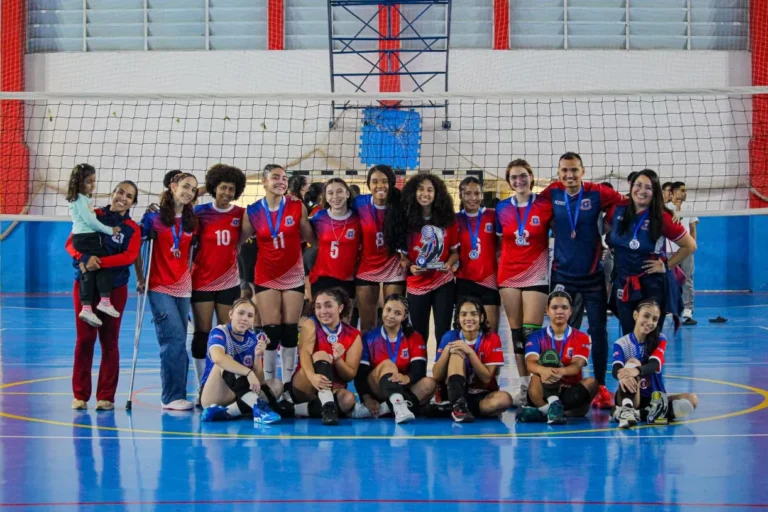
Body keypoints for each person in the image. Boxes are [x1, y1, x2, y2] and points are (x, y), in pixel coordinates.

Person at [538, 151, 625, 409]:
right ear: (558, 173)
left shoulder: (597, 192)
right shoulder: (552, 192)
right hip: (563, 275)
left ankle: (600, 387)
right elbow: (529, 207)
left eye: (574, 170)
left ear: (583, 171)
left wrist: (611, 224)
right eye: (564, 170)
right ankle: (561, 383)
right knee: (562, 332)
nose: (569, 175)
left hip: (593, 276)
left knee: (598, 332)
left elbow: (625, 203)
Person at [65, 181, 141, 411]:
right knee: (85, 339)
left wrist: (99, 262)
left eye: (129, 196)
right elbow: (71, 243)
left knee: (109, 341)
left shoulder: (132, 228)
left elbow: (129, 256)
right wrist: (83, 258)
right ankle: (80, 395)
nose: (123, 198)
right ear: (113, 193)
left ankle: (106, 397)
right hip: (86, 286)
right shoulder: (92, 214)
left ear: (133, 203)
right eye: (120, 192)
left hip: (115, 289)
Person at [241, 164, 315, 390]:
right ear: (264, 181)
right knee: (271, 329)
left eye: (284, 178)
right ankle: (272, 383)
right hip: (265, 275)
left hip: (293, 273)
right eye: (275, 177)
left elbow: (311, 237)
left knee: (291, 329)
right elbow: (238, 244)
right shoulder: (252, 211)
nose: (281, 181)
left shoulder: (296, 206)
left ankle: (289, 384)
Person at [605, 170, 696, 334]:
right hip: (623, 280)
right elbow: (602, 230)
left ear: (654, 192)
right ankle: (631, 360)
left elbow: (690, 246)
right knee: (628, 334)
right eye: (638, 185)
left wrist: (666, 265)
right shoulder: (617, 210)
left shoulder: (662, 217)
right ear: (631, 187)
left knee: (649, 333)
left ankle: (651, 360)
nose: (641, 190)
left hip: (651, 284)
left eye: (647, 187)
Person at [136, 172, 200, 411]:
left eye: (193, 189)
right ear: (173, 187)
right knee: (172, 339)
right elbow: (136, 249)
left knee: (181, 340)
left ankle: (179, 394)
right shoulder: (153, 218)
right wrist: (141, 278)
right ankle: (171, 396)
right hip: (159, 286)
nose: (189, 192)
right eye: (185, 186)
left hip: (183, 287)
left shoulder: (192, 220)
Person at [496, 159, 554, 403]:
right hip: (508, 274)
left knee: (532, 334)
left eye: (523, 176)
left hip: (536, 273)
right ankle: (522, 386)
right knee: (517, 334)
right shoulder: (501, 208)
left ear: (531, 176)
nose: (519, 181)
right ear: (509, 182)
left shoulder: (544, 205)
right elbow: (499, 244)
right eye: (514, 178)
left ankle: (536, 387)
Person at [190, 164, 247, 390]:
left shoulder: (240, 214)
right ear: (214, 187)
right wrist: (203, 189)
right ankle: (202, 383)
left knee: (226, 333)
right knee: (202, 333)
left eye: (231, 189)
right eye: (223, 187)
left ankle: (225, 383)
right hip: (202, 281)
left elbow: (242, 240)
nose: (227, 193)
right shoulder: (199, 212)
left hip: (229, 282)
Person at [612, 299, 698, 428]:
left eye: (654, 319)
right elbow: (616, 368)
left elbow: (653, 365)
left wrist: (637, 370)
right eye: (646, 316)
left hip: (655, 398)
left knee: (692, 400)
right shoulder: (622, 343)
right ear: (636, 315)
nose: (650, 322)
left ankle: (637, 414)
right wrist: (623, 374)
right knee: (631, 362)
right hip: (633, 396)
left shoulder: (660, 339)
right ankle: (628, 409)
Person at [517, 291, 598, 425]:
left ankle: (543, 413)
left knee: (592, 383)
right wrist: (544, 371)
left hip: (568, 390)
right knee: (539, 372)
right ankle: (551, 410)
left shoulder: (581, 337)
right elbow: (530, 364)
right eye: (554, 307)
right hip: (542, 389)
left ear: (571, 311)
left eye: (564, 308)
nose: (559, 311)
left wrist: (558, 372)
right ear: (547, 310)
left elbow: (577, 366)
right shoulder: (536, 337)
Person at [283, 288, 362, 425]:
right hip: (306, 381)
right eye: (318, 307)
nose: (322, 311)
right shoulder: (310, 324)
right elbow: (305, 353)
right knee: (321, 354)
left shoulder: (353, 335)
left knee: (348, 399)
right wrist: (312, 376)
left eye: (328, 305)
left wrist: (338, 360)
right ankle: (328, 405)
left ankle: (295, 409)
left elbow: (350, 375)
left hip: (334, 386)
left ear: (340, 307)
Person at [199, 298, 284, 425]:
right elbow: (218, 358)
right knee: (226, 360)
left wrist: (257, 356)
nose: (244, 318)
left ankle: (227, 412)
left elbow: (259, 381)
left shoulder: (253, 339)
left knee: (277, 385)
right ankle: (257, 407)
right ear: (231, 314)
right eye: (241, 313)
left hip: (240, 394)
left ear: (253, 321)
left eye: (250, 315)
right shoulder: (219, 332)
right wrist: (248, 373)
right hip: (215, 394)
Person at [353, 294, 436, 423]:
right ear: (383, 309)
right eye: (388, 310)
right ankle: (398, 406)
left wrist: (407, 378)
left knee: (430, 384)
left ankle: (385, 409)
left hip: (404, 386)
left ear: (404, 316)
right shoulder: (369, 337)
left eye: (397, 313)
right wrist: (366, 397)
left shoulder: (414, 337)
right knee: (388, 365)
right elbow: (361, 374)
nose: (391, 316)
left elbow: (419, 370)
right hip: (378, 388)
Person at [400, 174, 459, 345]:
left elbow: (455, 252)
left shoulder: (448, 220)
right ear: (413, 192)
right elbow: (403, 257)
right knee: (418, 334)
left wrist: (449, 264)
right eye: (420, 189)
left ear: (437, 194)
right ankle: (419, 370)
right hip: (417, 284)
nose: (425, 193)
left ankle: (443, 369)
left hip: (443, 282)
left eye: (430, 190)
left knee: (443, 332)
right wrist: (410, 267)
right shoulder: (405, 220)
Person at [432, 297, 513, 423]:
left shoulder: (492, 339)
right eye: (464, 314)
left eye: (474, 314)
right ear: (458, 318)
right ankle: (458, 405)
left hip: (481, 394)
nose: (469, 318)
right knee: (456, 352)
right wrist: (447, 350)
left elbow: (486, 378)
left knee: (505, 399)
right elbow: (436, 376)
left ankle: (453, 408)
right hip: (454, 392)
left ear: (481, 318)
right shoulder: (450, 336)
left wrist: (470, 352)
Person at [65, 163, 122, 327]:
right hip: (84, 238)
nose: (93, 185)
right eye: (89, 181)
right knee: (103, 263)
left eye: (94, 181)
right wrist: (110, 230)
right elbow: (91, 222)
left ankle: (88, 307)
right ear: (79, 182)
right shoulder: (79, 199)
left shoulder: (83, 200)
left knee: (91, 269)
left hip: (86, 238)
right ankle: (103, 300)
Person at [351, 165, 406, 333]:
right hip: (367, 264)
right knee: (367, 324)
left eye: (384, 181)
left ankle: (392, 356)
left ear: (391, 183)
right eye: (374, 181)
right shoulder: (359, 203)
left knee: (393, 321)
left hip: (394, 264)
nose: (380, 186)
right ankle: (368, 358)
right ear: (368, 185)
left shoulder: (400, 205)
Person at [455, 177, 500, 332]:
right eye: (468, 193)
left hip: (489, 280)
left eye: (477, 193)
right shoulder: (455, 219)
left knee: (490, 332)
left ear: (482, 195)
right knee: (466, 331)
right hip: (464, 281)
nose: (473, 198)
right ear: (461, 195)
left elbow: (502, 245)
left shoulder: (493, 215)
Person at [309, 178, 361, 301]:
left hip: (347, 279)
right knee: (321, 317)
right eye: (330, 193)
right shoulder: (319, 217)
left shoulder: (357, 219)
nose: (335, 196)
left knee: (344, 319)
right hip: (322, 277)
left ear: (347, 194)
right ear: (326, 197)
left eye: (339, 192)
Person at [668, 181, 699, 325]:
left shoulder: (689, 207)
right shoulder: (666, 208)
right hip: (670, 250)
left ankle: (688, 308)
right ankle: (671, 307)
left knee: (688, 279)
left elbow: (692, 228)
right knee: (670, 281)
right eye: (682, 190)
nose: (685, 193)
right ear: (673, 192)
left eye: (685, 190)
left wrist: (693, 244)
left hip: (686, 250)